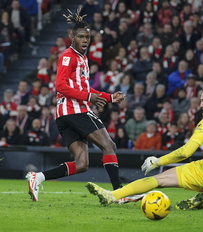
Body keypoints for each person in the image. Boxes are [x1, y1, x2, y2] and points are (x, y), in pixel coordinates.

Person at [25, 10, 141, 203]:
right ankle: (118, 194)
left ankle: (39, 177)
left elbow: (84, 87)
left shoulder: (83, 58)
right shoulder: (68, 56)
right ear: (72, 37)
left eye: (87, 37)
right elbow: (60, 86)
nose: (85, 40)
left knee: (82, 164)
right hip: (75, 110)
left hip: (66, 114)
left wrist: (109, 97)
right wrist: (90, 97)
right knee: (109, 145)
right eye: (81, 36)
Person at [86, 82, 203, 210]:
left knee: (158, 180)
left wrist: (158, 162)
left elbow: (186, 152)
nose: (201, 104)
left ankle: (111, 196)